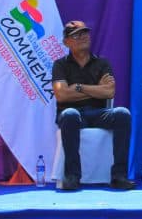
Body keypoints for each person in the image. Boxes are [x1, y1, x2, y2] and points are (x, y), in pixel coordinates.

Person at [52, 20, 135, 191]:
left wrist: (78, 87)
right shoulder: (60, 65)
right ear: (66, 42)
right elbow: (61, 95)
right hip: (73, 114)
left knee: (122, 113)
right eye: (76, 35)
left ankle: (119, 176)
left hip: (98, 113)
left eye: (85, 33)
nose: (83, 37)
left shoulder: (102, 63)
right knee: (70, 114)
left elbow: (109, 92)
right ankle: (72, 176)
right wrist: (96, 89)